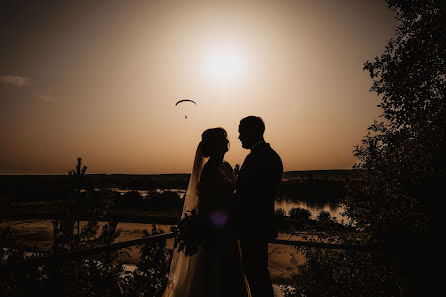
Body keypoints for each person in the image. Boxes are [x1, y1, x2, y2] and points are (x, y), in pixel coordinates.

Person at [162, 127, 251, 297]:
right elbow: (208, 204)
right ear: (216, 145)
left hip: (228, 229)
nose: (227, 142)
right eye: (223, 139)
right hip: (217, 232)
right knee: (216, 277)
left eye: (226, 139)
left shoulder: (226, 166)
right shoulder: (209, 170)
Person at [236, 116, 283, 297]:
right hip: (259, 227)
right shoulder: (270, 155)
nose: (239, 137)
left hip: (253, 227)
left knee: (257, 277)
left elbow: (248, 197)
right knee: (258, 274)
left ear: (251, 132)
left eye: (241, 132)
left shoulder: (258, 158)